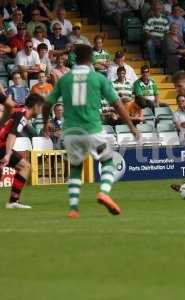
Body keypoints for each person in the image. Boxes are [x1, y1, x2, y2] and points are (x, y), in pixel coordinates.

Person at [43, 44, 139, 219]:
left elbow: (47, 103)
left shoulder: (65, 79)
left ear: (74, 59)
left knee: (75, 167)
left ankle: (73, 207)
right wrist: (132, 127)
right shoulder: (98, 79)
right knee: (108, 160)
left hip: (70, 132)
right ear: (91, 59)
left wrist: (44, 124)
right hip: (93, 129)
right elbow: (117, 105)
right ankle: (104, 192)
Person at [0, 93, 44, 209]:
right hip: (1, 145)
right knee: (25, 167)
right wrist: (8, 154)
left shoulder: (20, 110)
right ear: (35, 106)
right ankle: (12, 202)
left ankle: (13, 201)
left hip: (2, 144)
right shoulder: (23, 114)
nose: (41, 110)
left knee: (24, 167)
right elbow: (12, 134)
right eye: (41, 106)